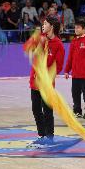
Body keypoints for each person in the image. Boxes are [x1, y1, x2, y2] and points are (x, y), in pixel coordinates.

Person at [26, 16, 65, 147]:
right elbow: (26, 48)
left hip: (47, 84)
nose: (43, 25)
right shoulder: (39, 37)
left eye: (45, 23)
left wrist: (46, 76)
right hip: (35, 81)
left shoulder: (58, 44)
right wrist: (35, 39)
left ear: (52, 27)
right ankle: (41, 135)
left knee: (47, 111)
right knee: (36, 109)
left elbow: (58, 66)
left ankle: (50, 136)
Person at [64, 21, 85, 119]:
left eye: (78, 28)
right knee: (75, 94)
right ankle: (77, 111)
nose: (76, 29)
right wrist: (67, 70)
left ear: (84, 29)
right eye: (75, 27)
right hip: (75, 74)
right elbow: (70, 57)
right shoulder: (74, 41)